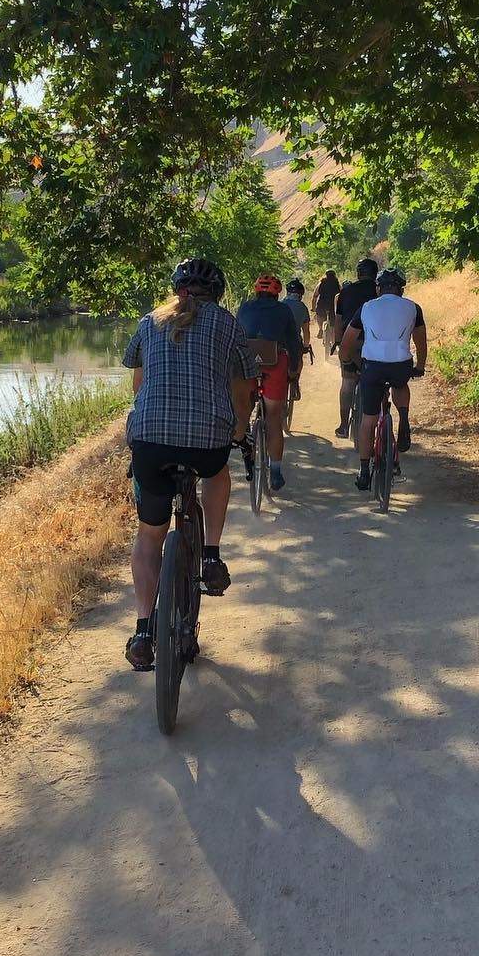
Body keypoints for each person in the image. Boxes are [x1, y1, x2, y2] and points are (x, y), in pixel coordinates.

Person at [121, 258, 257, 671]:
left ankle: (143, 631)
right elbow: (244, 385)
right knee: (217, 472)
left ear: (177, 291)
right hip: (206, 440)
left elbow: (138, 385)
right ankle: (211, 554)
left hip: (150, 439)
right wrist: (239, 430)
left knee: (149, 535)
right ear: (216, 294)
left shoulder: (150, 322)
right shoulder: (228, 323)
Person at [339, 267, 427, 491]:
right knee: (401, 383)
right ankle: (403, 417)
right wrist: (420, 366)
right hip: (400, 364)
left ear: (378, 289)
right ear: (401, 290)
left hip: (372, 366)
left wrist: (347, 361)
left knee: (368, 420)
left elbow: (347, 341)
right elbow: (421, 342)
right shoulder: (413, 308)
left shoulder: (366, 307)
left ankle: (364, 471)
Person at [236, 274, 304, 491]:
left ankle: (244, 438)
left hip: (246, 363)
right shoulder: (283, 310)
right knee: (273, 417)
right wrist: (293, 370)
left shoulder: (244, 308)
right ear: (277, 293)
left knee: (243, 408)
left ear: (256, 291)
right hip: (275, 363)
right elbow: (293, 342)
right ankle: (275, 472)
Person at [331, 258, 379, 438]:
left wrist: (338, 342)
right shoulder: (379, 291)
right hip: (374, 344)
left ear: (358, 273)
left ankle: (344, 426)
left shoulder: (346, 292)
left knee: (347, 382)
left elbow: (338, 320)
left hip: (350, 343)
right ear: (375, 273)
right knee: (379, 381)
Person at [282, 279, 312, 402]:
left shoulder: (280, 304)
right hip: (294, 341)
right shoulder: (302, 307)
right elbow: (306, 331)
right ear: (300, 294)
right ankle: (295, 381)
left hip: (277, 342)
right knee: (299, 361)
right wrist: (306, 346)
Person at [312, 270, 341, 337]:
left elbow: (315, 296)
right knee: (334, 320)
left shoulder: (321, 283)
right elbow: (341, 295)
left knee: (319, 315)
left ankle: (320, 329)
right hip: (333, 305)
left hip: (322, 304)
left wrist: (313, 308)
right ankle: (333, 334)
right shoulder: (337, 284)